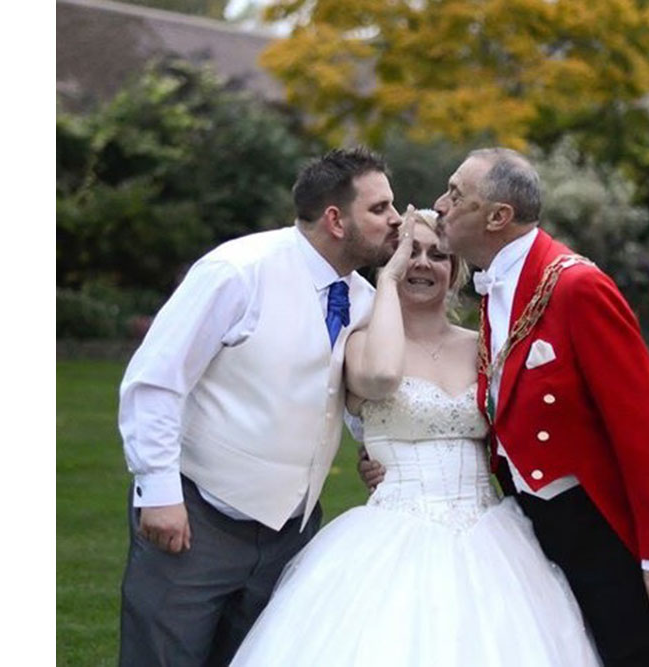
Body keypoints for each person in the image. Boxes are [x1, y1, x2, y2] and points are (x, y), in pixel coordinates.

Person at [362, 148, 649, 665]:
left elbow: (645, 427)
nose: (440, 204)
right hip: (534, 524)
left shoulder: (576, 286)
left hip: (601, 525)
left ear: (498, 217)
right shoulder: (498, 291)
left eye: (456, 195)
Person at [229, 209, 602, 666]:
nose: (423, 264)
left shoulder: (484, 345)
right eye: (412, 253)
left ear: (456, 270)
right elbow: (382, 378)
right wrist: (386, 281)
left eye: (438, 255)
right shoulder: (361, 343)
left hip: (492, 535)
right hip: (395, 530)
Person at [117, 146, 402, 667]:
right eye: (380, 208)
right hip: (198, 516)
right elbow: (155, 380)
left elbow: (336, 389)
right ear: (336, 220)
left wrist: (371, 448)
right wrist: (157, 491)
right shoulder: (236, 271)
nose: (396, 219)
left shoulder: (363, 298)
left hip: (291, 531)